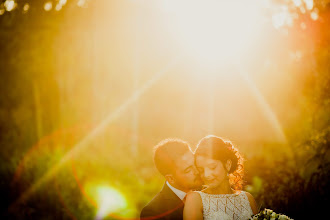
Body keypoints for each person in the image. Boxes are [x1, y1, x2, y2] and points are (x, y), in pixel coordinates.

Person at [183, 135, 258, 220]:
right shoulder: (195, 199)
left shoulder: (247, 198)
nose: (206, 174)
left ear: (227, 165)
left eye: (212, 167)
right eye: (201, 170)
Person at [140, 138, 203, 220]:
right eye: (188, 170)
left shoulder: (209, 188)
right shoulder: (153, 212)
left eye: (195, 163)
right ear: (171, 179)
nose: (197, 171)